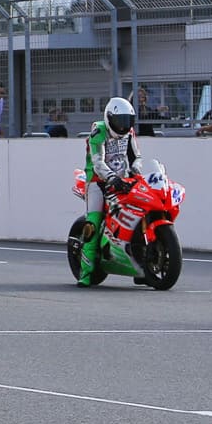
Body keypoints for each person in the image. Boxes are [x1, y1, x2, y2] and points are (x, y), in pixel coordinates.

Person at [79, 97, 140, 286]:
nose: (123, 126)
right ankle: (85, 273)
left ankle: (141, 264)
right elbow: (98, 162)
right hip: (98, 181)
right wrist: (112, 178)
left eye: (127, 121)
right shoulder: (99, 131)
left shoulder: (129, 132)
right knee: (93, 224)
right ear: (109, 117)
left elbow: (136, 156)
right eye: (119, 121)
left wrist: (136, 170)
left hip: (123, 180)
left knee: (138, 212)